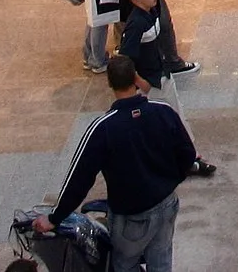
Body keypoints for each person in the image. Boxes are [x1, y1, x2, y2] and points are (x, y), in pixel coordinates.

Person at [35, 55, 202, 267]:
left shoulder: (103, 128)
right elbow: (187, 154)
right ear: (135, 78)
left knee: (124, 264)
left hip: (131, 216)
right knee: (161, 261)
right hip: (166, 204)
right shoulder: (163, 111)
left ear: (110, 83)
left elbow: (79, 179)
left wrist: (54, 218)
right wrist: (169, 181)